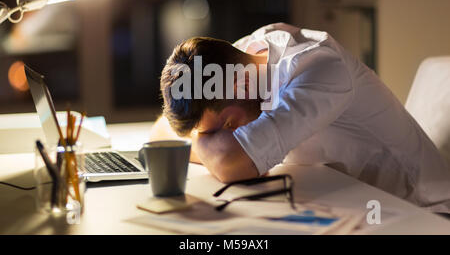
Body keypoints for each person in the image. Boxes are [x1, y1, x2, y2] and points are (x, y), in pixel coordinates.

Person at [150, 22, 450, 213]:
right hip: (348, 201)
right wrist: (207, 135)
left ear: (241, 84)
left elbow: (233, 164)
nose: (224, 135)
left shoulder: (319, 71)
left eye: (227, 126)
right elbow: (160, 133)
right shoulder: (245, 56)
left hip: (418, 211)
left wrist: (206, 145)